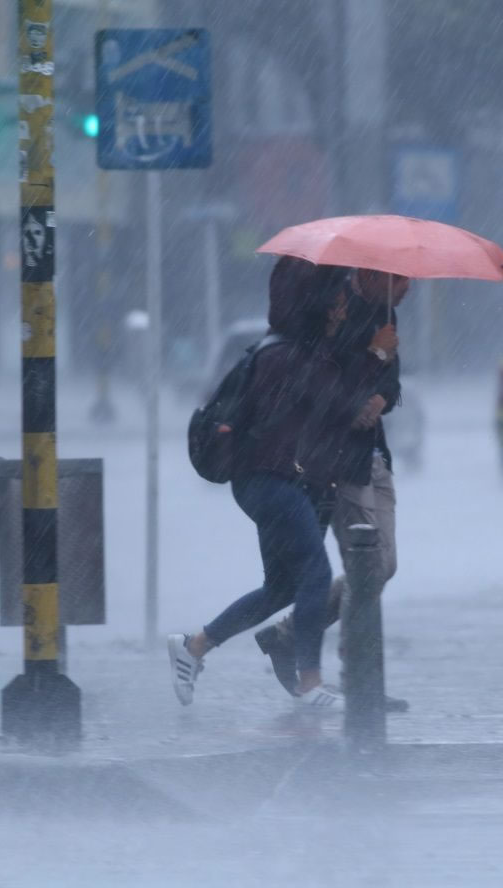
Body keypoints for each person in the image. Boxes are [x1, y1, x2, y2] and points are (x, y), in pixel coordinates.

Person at [166, 257, 387, 709]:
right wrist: (359, 395)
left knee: (283, 587)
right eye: (340, 299)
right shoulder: (286, 356)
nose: (345, 308)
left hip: (280, 482)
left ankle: (193, 647)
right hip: (268, 481)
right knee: (317, 573)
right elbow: (318, 414)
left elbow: (331, 410)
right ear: (322, 306)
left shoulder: (302, 353)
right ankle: (310, 684)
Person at [252, 269, 408, 710]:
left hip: (375, 456)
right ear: (374, 276)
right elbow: (329, 386)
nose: (410, 287)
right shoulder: (331, 317)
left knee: (384, 565)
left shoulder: (386, 312)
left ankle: (284, 636)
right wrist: (374, 358)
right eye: (401, 278)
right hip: (343, 461)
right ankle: (360, 680)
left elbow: (389, 382)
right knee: (365, 565)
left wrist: (384, 395)